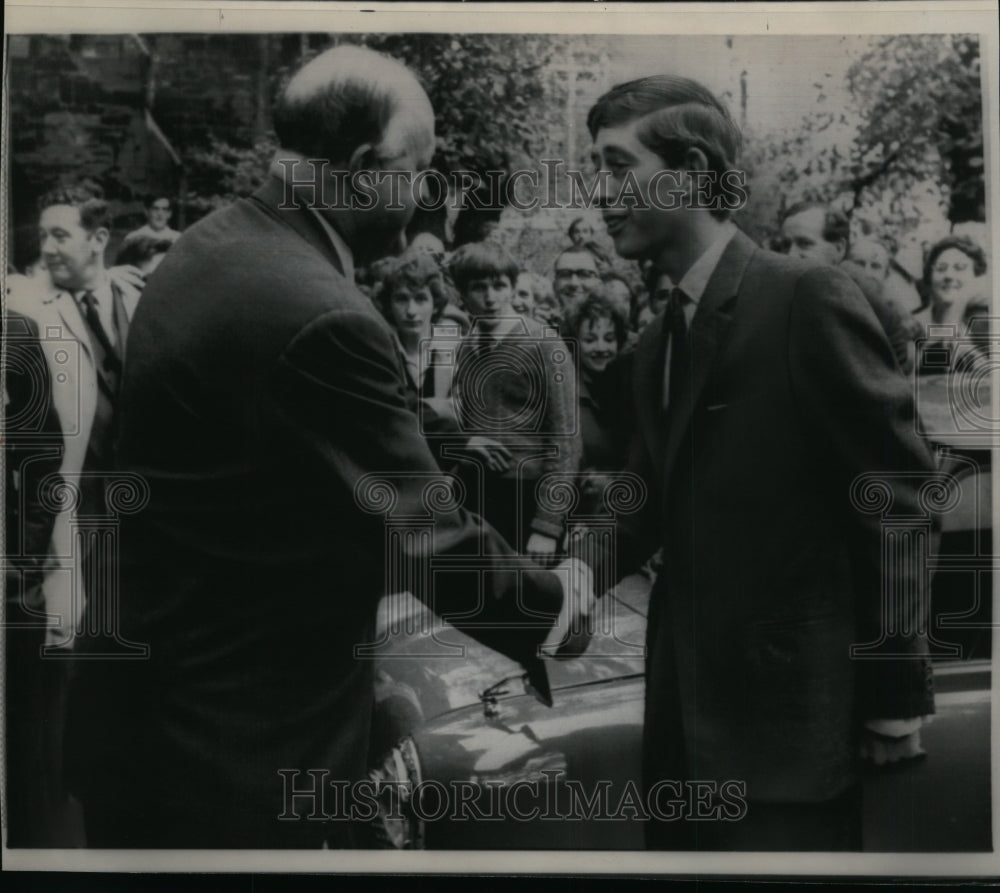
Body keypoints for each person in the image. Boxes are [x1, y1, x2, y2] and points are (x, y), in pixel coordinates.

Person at [66, 46, 590, 849]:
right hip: (239, 755)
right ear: (360, 168)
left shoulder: (218, 245)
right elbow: (433, 542)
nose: (427, 195)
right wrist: (562, 612)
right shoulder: (317, 310)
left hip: (157, 722)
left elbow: (358, 410)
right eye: (419, 171)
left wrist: (450, 437)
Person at [580, 74, 936, 851]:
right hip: (682, 736)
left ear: (694, 172)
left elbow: (897, 497)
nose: (597, 191)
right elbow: (641, 497)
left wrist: (894, 691)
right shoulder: (655, 342)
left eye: (616, 165)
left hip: (790, 745)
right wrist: (566, 580)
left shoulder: (807, 297)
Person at [449, 241, 582, 564]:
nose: (491, 297)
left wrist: (548, 525)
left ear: (511, 287)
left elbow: (566, 441)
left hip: (527, 496)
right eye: (479, 288)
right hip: (478, 497)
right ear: (462, 295)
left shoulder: (545, 344)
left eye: (499, 286)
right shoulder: (467, 348)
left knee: (533, 602)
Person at [778, 202, 918, 373]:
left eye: (805, 243)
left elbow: (898, 350)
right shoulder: (779, 292)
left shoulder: (859, 292)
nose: (790, 255)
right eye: (785, 245)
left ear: (839, 249)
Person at [914, 234, 990, 373]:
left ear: (977, 276)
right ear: (929, 277)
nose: (948, 275)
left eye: (959, 268)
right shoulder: (912, 324)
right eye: (941, 268)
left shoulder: (984, 324)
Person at [553, 246, 601, 317]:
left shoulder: (616, 325)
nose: (574, 283)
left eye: (584, 274)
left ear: (598, 283)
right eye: (565, 274)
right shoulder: (548, 325)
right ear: (554, 284)